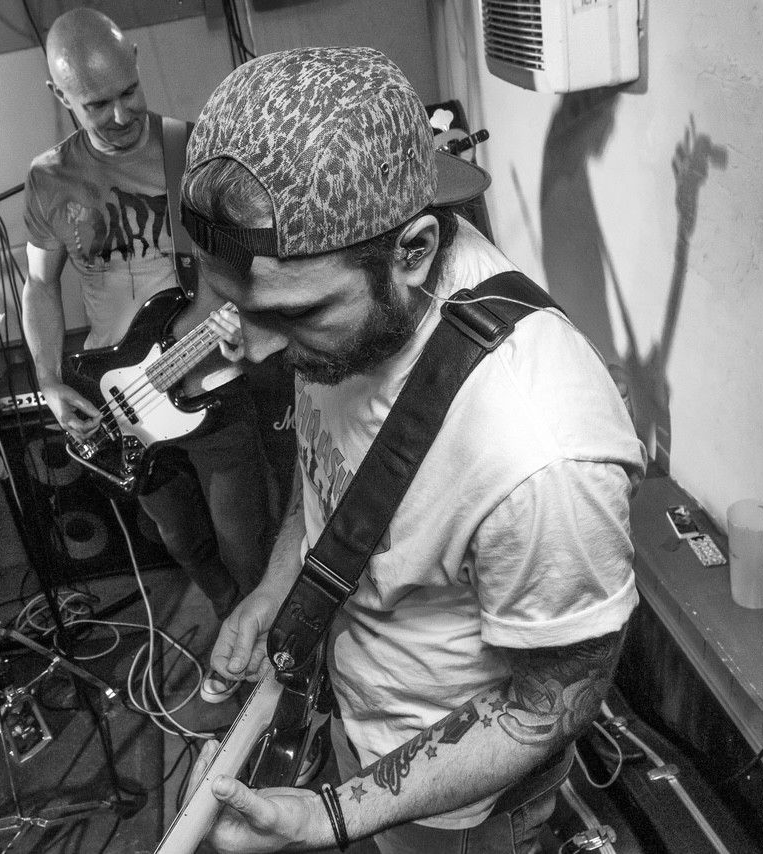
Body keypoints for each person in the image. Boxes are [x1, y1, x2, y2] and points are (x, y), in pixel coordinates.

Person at [182, 48, 648, 854]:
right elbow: (334, 471)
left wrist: (331, 815)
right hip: (357, 717)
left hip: (460, 812)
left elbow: (551, 703)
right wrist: (273, 591)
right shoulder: (339, 308)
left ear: (414, 249)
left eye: (294, 316)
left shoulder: (540, 455)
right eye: (234, 307)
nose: (253, 351)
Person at [21, 8, 276, 621]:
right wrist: (49, 379)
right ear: (60, 95)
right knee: (181, 540)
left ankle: (264, 647)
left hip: (212, 377)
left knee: (247, 544)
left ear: (135, 60)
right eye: (96, 105)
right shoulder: (49, 178)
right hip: (120, 398)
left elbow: (259, 262)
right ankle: (227, 619)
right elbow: (39, 284)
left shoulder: (195, 149)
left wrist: (256, 326)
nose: (119, 115)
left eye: (128, 92)